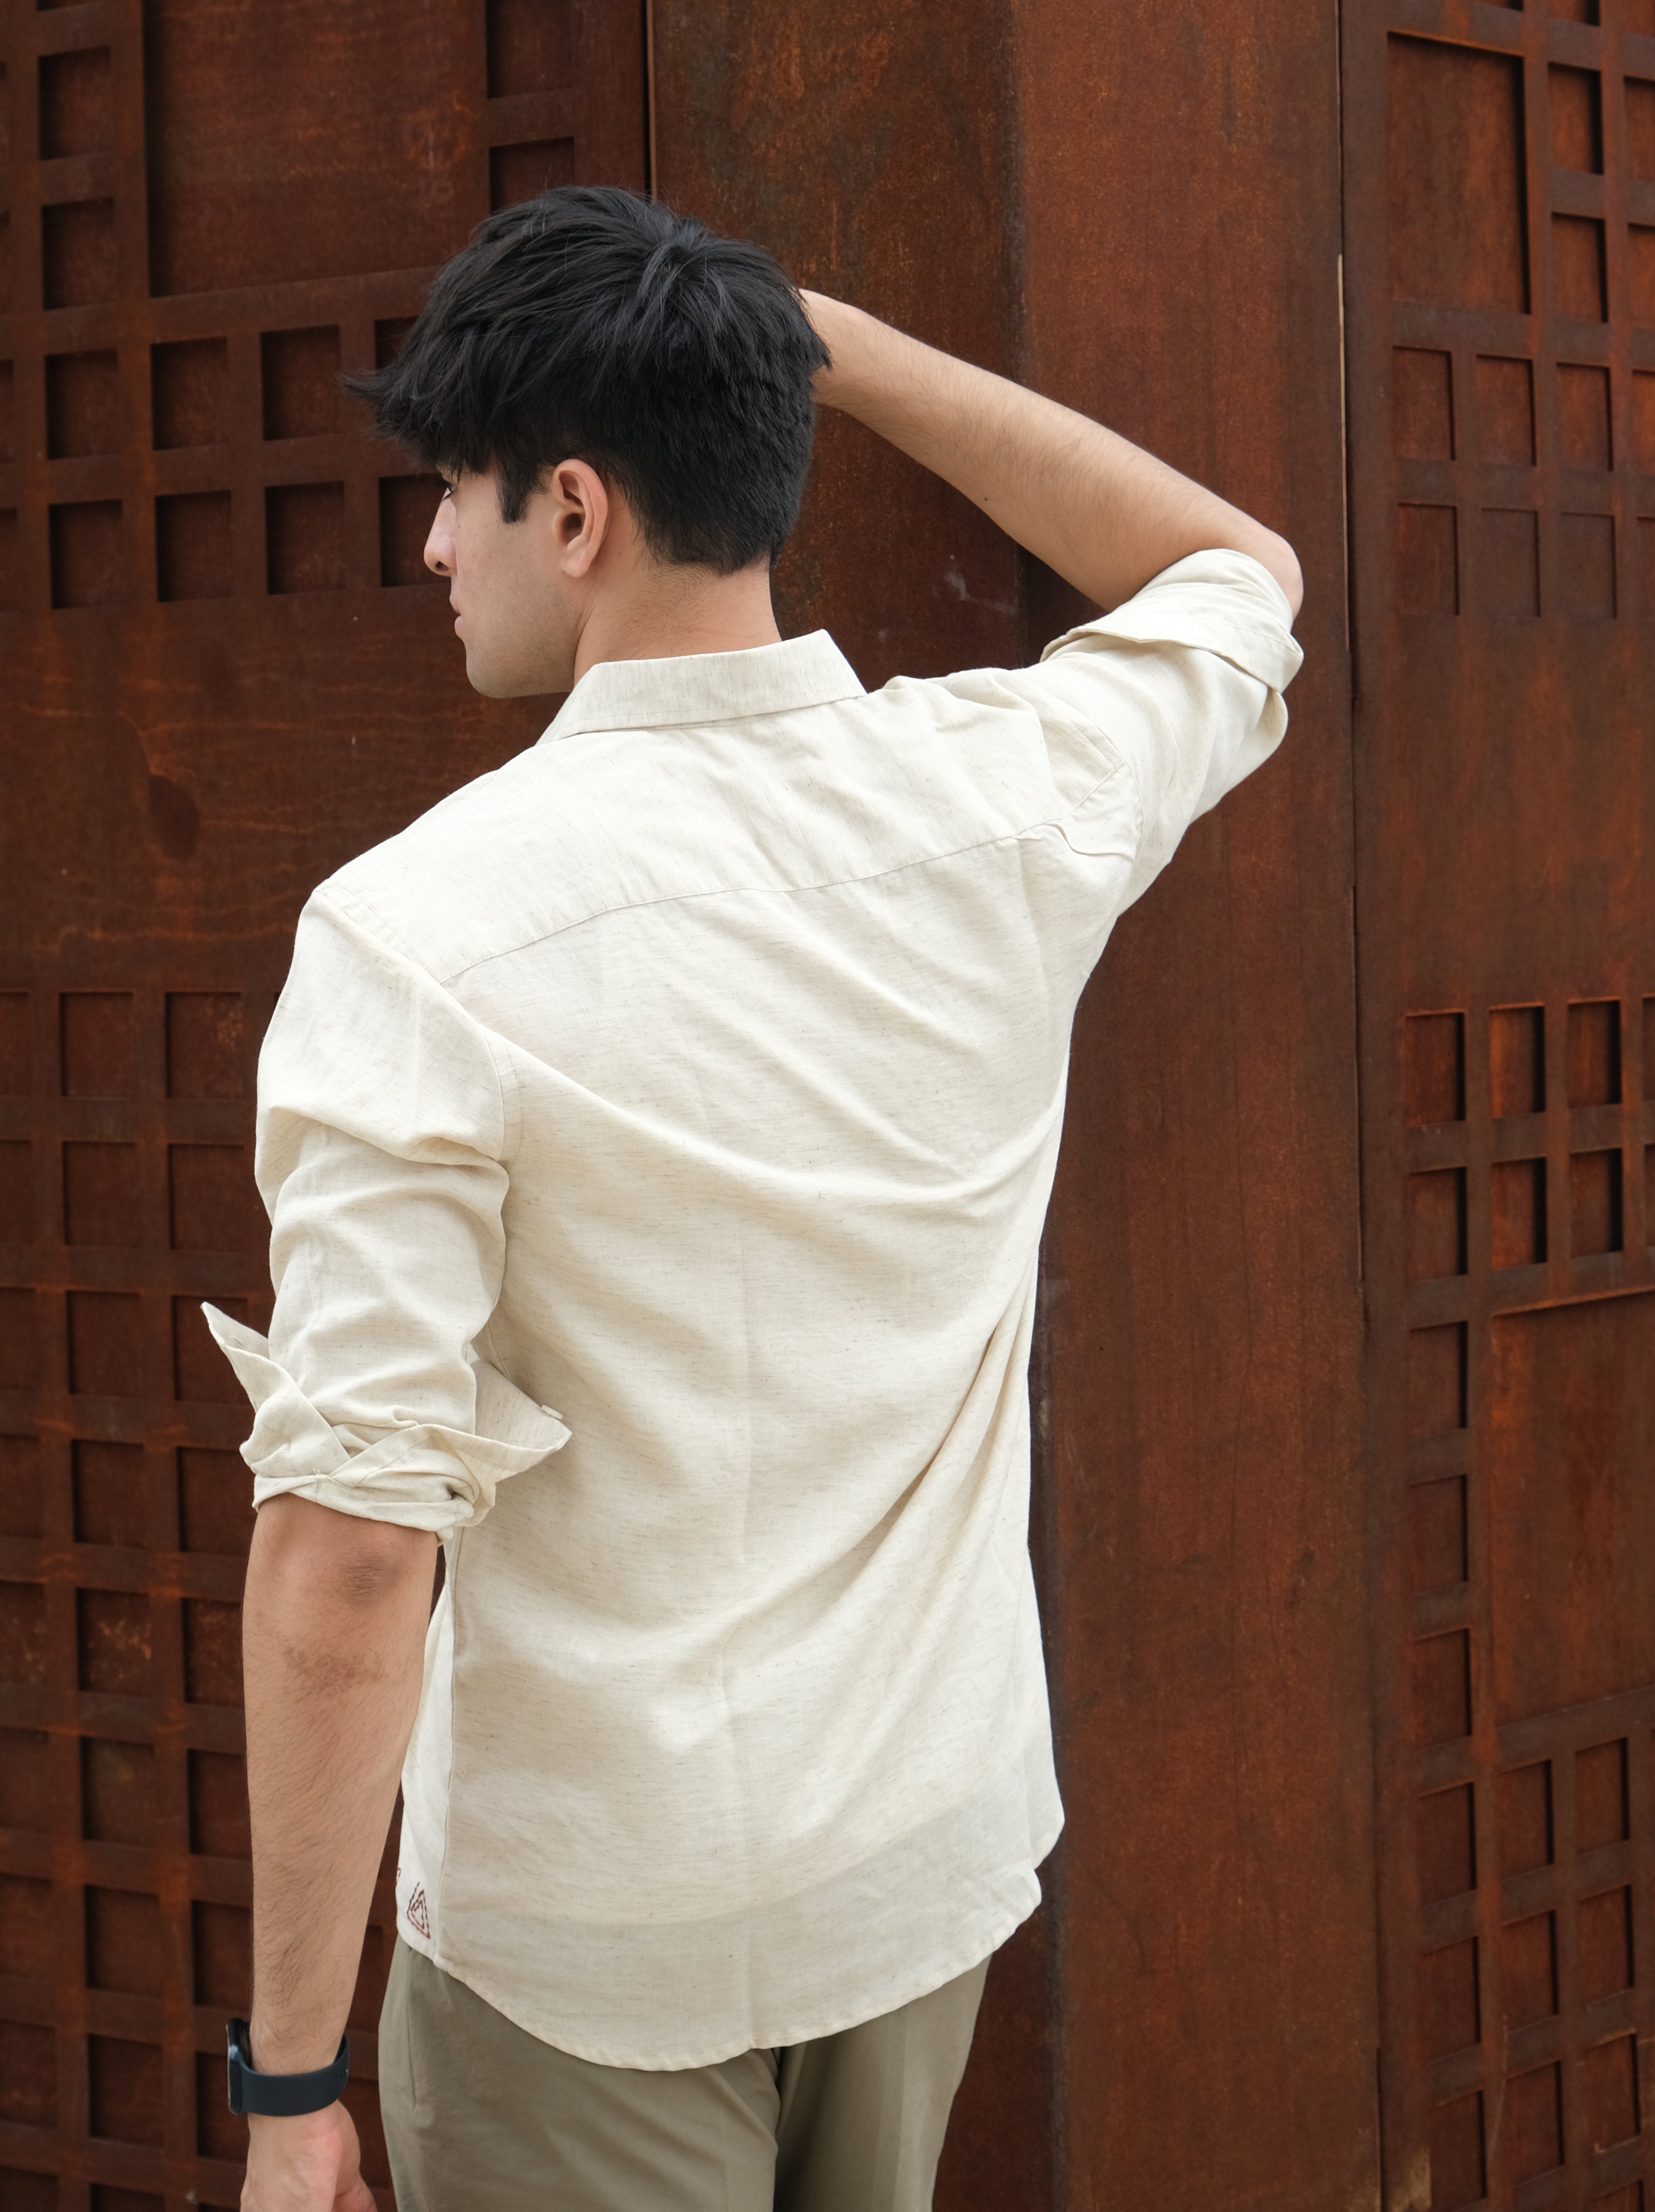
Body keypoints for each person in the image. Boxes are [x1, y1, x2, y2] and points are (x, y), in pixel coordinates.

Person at [208, 185, 1303, 2212]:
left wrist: (289, 2094)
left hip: (589, 1938)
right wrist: (830, 344)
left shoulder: (417, 934)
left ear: (572, 510)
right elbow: (1238, 572)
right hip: (920, 1866)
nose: (433, 549)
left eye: (454, 494)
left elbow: (352, 1552)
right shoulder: (1006, 798)